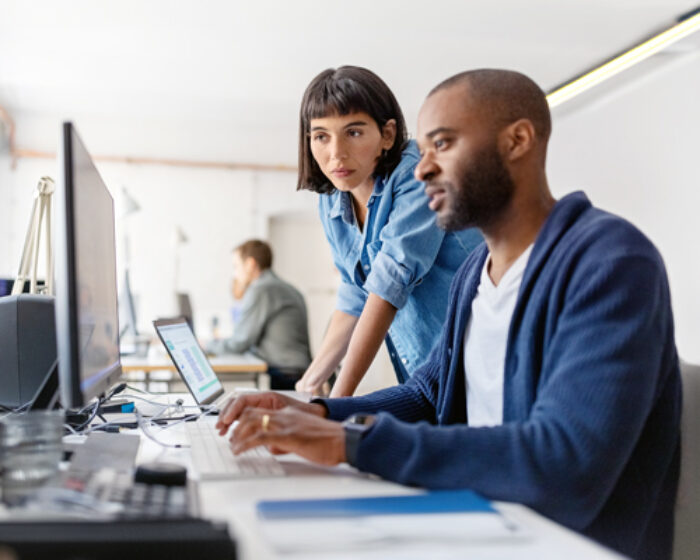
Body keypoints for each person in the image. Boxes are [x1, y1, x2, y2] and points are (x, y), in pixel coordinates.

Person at [216, 69, 682, 560]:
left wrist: (351, 444)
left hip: (562, 541)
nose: (421, 170)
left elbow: (563, 464)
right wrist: (318, 411)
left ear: (517, 142)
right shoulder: (474, 273)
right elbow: (426, 393)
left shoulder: (609, 263)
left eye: (442, 144)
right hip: (481, 514)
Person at [294, 66, 481, 397]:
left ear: (388, 135)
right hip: (426, 373)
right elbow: (355, 292)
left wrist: (335, 404)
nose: (336, 153)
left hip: (478, 362)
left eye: (353, 132)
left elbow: (388, 285)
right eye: (321, 136)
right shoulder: (332, 198)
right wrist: (309, 384)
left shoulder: (419, 175)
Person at [207, 239, 312, 390]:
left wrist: (207, 345)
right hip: (298, 371)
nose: (235, 274)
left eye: (236, 266)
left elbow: (240, 342)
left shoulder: (261, 289)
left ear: (250, 264)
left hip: (285, 374)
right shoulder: (286, 287)